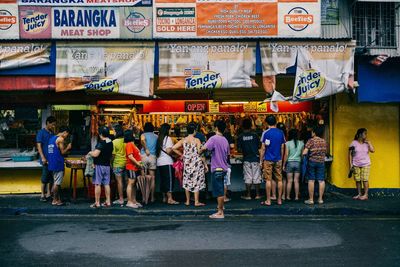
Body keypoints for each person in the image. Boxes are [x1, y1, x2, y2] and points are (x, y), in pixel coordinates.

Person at [172, 122, 207, 207]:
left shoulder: (183, 140)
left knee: (187, 181)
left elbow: (173, 148)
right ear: (194, 130)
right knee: (196, 181)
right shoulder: (197, 140)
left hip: (187, 163)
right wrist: (203, 150)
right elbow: (199, 152)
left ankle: (187, 201)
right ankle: (196, 201)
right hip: (196, 163)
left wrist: (182, 154)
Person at [202, 120, 230, 219]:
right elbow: (227, 154)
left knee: (219, 192)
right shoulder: (225, 140)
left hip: (217, 168)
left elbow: (204, 148)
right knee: (221, 189)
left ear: (216, 128)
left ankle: (220, 212)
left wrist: (199, 148)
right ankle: (220, 208)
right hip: (224, 168)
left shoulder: (213, 138)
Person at [260, 115, 286, 206]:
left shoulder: (265, 133)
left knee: (268, 180)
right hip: (278, 159)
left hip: (268, 159)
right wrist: (282, 159)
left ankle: (268, 200)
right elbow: (283, 147)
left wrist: (260, 161)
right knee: (279, 180)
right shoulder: (281, 132)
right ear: (275, 122)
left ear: (267, 123)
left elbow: (263, 148)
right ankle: (279, 200)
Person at [88, 126, 113, 208]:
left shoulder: (101, 142)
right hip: (107, 165)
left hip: (99, 165)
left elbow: (96, 154)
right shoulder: (110, 142)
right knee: (106, 184)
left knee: (97, 184)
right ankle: (108, 201)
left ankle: (97, 203)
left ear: (101, 134)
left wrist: (90, 153)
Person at [237, 118, 262, 200]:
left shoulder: (240, 136)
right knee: (256, 177)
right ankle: (258, 195)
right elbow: (259, 146)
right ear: (251, 125)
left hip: (246, 159)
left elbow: (239, 149)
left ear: (242, 126)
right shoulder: (255, 135)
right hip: (255, 158)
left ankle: (248, 195)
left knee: (248, 177)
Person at [47, 126, 72, 206]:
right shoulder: (61, 139)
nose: (66, 136)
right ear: (65, 132)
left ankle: (57, 199)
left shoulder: (52, 138)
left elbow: (54, 152)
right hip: (57, 164)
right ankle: (54, 200)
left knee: (55, 181)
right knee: (57, 183)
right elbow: (62, 152)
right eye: (67, 134)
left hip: (52, 163)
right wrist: (68, 147)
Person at [303, 126, 327, 205]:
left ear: (314, 132)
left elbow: (304, 152)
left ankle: (311, 200)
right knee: (321, 180)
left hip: (312, 161)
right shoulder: (324, 141)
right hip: (321, 162)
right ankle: (320, 199)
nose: (311, 133)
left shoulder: (311, 141)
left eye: (312, 131)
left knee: (311, 180)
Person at [156, 123, 179, 205]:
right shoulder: (168, 138)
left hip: (159, 162)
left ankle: (164, 198)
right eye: (169, 129)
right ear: (167, 130)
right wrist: (175, 155)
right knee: (169, 180)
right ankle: (170, 199)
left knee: (163, 180)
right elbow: (169, 151)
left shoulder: (159, 138)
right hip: (167, 162)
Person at [349, 128, 375, 201]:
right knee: (357, 180)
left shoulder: (367, 143)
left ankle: (366, 195)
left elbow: (373, 150)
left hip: (366, 164)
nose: (366, 135)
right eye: (365, 133)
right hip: (356, 164)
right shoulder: (353, 143)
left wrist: (369, 143)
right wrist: (350, 165)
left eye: (366, 133)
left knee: (365, 179)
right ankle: (359, 194)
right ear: (360, 134)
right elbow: (350, 155)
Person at [36, 116, 56, 202]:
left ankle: (48, 193)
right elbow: (39, 146)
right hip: (45, 159)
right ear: (47, 123)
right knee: (44, 177)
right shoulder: (41, 132)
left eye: (54, 125)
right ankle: (42, 195)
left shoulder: (51, 133)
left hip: (51, 159)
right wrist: (43, 157)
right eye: (52, 124)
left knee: (51, 178)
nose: (53, 126)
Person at [283, 129, 304, 201]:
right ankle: (296, 197)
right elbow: (302, 155)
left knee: (289, 181)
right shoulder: (301, 143)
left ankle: (288, 196)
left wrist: (283, 164)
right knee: (296, 181)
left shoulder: (287, 143)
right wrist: (300, 161)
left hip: (290, 163)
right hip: (298, 163)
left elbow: (286, 155)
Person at [124, 129, 143, 208]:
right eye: (134, 134)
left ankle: (134, 200)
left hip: (135, 167)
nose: (135, 135)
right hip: (131, 166)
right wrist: (137, 163)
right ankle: (129, 201)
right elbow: (130, 156)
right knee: (131, 183)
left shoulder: (133, 144)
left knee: (134, 184)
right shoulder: (129, 144)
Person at [140, 122, 158, 203]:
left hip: (144, 156)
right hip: (153, 157)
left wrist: (146, 148)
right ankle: (152, 197)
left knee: (143, 177)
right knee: (152, 178)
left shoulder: (143, 135)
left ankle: (144, 197)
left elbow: (142, 140)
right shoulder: (156, 136)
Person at [111, 125, 126, 206]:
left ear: (116, 132)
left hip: (117, 164)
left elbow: (113, 155)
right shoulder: (126, 141)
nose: (113, 132)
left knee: (119, 182)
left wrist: (111, 163)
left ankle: (121, 199)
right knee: (127, 181)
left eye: (114, 131)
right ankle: (128, 197)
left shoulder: (114, 142)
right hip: (126, 163)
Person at [277, 122, 288, 200]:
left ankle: (277, 195)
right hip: (286, 160)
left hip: (278, 158)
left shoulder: (277, 136)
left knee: (277, 178)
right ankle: (283, 195)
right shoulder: (286, 137)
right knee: (284, 179)